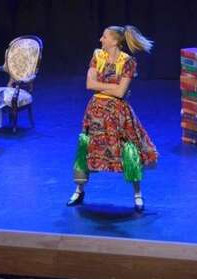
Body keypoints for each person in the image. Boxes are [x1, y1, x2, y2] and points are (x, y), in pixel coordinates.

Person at [67, 25, 158, 212]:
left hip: (118, 114)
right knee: (86, 149)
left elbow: (121, 92)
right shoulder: (97, 56)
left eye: (105, 37)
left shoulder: (128, 62)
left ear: (115, 41)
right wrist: (112, 88)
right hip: (95, 112)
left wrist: (102, 87)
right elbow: (89, 84)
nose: (101, 39)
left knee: (129, 151)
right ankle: (79, 190)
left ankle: (138, 195)